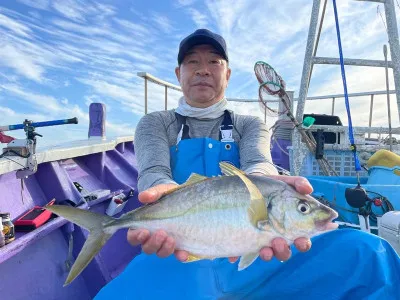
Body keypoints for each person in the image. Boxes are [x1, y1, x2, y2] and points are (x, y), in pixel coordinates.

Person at [94, 29, 400, 300]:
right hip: (179, 245)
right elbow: (154, 173)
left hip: (254, 243)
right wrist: (161, 193)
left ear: (227, 74)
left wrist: (268, 184)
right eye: (192, 62)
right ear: (178, 73)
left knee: (370, 253)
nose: (203, 70)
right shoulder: (155, 123)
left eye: (214, 62)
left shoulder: (249, 124)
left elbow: (259, 163)